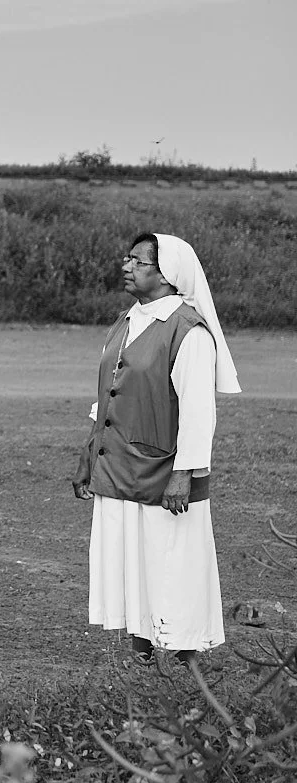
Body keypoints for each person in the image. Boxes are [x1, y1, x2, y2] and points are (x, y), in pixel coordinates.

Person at [73, 233, 241, 665]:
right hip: (119, 460)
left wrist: (184, 474)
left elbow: (199, 411)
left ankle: (186, 654)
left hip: (164, 467)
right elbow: (109, 390)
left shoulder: (189, 332)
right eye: (127, 258)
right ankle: (141, 645)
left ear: (167, 274)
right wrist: (90, 449)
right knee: (132, 555)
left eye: (139, 262)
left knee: (174, 560)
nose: (126, 266)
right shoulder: (126, 321)